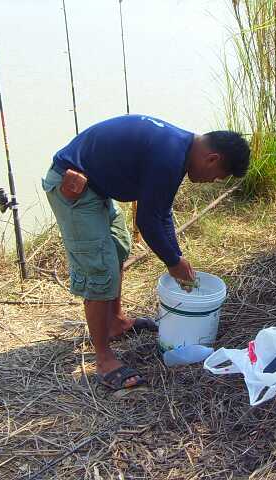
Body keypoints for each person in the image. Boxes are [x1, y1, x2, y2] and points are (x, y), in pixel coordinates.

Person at [42, 114, 250, 390]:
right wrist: (172, 262)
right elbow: (147, 221)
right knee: (99, 268)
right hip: (74, 185)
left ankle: (115, 322)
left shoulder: (181, 149)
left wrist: (176, 257)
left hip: (96, 187)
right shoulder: (170, 156)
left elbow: (161, 212)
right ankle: (103, 359)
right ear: (211, 158)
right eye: (217, 177)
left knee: (117, 246)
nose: (212, 181)